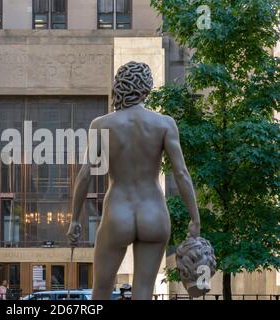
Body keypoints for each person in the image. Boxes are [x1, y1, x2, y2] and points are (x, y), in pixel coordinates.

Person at [67, 61, 201, 300]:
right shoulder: (165, 124)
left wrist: (75, 219)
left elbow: (86, 173)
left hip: (118, 211)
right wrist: (195, 218)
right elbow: (181, 173)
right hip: (154, 212)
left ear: (119, 87)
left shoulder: (102, 124)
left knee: (101, 289)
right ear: (146, 89)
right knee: (143, 293)